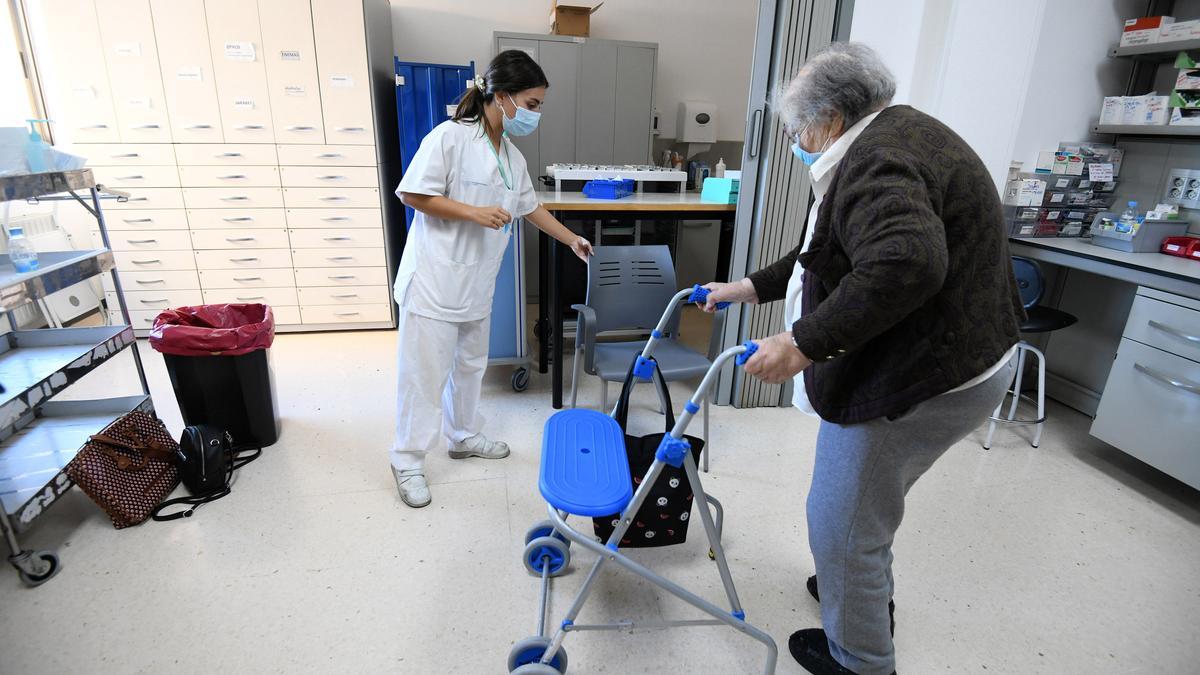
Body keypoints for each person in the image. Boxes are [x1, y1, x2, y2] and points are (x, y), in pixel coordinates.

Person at [700, 43, 1024, 675]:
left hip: (928, 377)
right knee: (863, 506)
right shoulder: (898, 134)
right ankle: (855, 586)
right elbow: (821, 247)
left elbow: (907, 261)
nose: (795, 139)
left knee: (842, 521)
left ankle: (862, 660)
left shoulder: (879, 161)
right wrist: (747, 289)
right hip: (960, 354)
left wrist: (800, 344)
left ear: (830, 118)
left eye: (796, 127)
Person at [390, 51, 593, 508]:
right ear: (501, 97)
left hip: (475, 284)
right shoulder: (450, 138)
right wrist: (473, 211)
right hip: (435, 281)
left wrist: (570, 239)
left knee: (469, 368)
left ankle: (462, 435)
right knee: (423, 376)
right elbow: (413, 192)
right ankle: (406, 458)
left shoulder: (511, 155)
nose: (536, 113)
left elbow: (529, 206)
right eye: (533, 103)